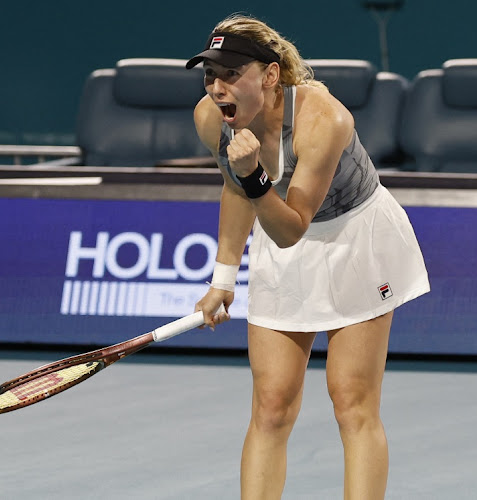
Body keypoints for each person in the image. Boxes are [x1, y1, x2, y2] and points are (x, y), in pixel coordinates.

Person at [187, 14, 430, 500]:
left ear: (270, 76)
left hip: (356, 242)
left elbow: (290, 228)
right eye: (210, 75)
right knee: (271, 405)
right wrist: (223, 277)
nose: (217, 87)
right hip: (282, 237)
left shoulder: (325, 118)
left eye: (231, 74)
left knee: (352, 403)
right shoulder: (211, 117)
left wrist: (254, 175)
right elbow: (237, 191)